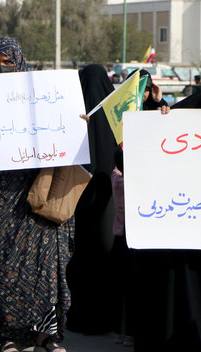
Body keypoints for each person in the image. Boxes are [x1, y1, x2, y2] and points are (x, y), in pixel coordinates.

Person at [0, 37, 74, 352]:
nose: (1, 67)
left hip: (39, 195)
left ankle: (46, 336)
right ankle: (6, 339)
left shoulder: (41, 96)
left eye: (7, 62)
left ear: (20, 61)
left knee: (47, 270)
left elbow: (62, 128)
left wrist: (74, 126)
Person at [66, 65, 117, 335]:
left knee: (79, 258)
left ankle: (78, 316)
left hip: (76, 197)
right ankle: (106, 319)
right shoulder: (116, 117)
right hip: (109, 199)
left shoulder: (73, 117)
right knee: (104, 258)